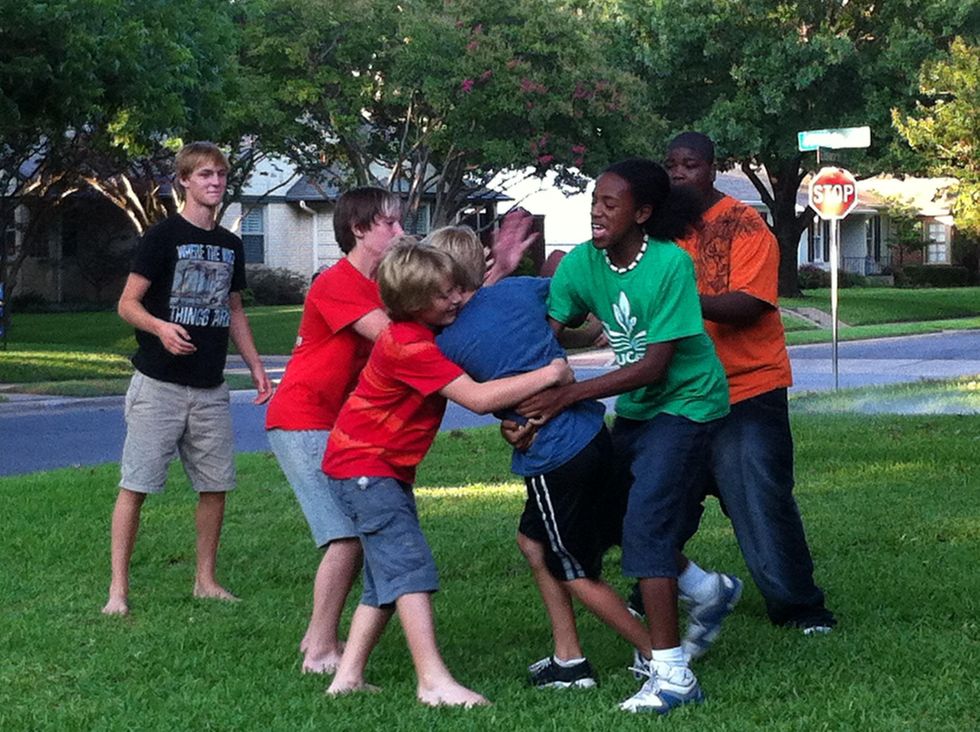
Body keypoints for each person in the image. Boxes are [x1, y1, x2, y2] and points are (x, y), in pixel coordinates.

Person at [264, 190, 538, 674]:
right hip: (307, 416)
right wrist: (490, 282)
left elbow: (436, 317)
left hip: (349, 423)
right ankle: (321, 645)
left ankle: (337, 657)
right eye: (389, 224)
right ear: (358, 230)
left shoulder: (385, 285)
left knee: (359, 535)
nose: (401, 231)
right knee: (346, 536)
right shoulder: (337, 283)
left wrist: (495, 273)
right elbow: (414, 338)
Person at [517, 158, 734, 714]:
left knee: (645, 532)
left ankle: (673, 677)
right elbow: (544, 340)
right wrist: (521, 406)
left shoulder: (669, 264)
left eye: (610, 203)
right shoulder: (582, 264)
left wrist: (565, 396)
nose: (597, 211)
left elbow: (654, 366)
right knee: (609, 518)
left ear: (642, 213)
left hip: (688, 402)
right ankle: (706, 590)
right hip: (639, 409)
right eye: (594, 200)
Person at [323, 241, 572, 707]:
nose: (456, 298)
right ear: (415, 303)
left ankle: (348, 676)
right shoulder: (409, 346)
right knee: (410, 570)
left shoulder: (419, 333)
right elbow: (477, 398)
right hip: (366, 469)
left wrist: (501, 267)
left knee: (385, 577)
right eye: (444, 295)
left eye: (456, 288)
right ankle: (432, 681)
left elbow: (476, 311)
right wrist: (551, 374)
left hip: (369, 468)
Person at [429, 226, 652, 689]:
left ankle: (660, 656)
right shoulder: (516, 292)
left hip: (554, 456)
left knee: (570, 567)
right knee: (532, 543)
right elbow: (567, 281)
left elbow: (481, 392)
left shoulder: (443, 345)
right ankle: (568, 660)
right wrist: (601, 326)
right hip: (593, 434)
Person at [665, 131, 836, 633]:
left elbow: (750, 304)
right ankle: (650, 591)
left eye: (689, 164)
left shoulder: (744, 224)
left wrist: (674, 298)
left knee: (761, 501)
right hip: (681, 393)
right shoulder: (662, 229)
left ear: (712, 168)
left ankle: (801, 609)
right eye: (671, 165)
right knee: (660, 498)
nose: (678, 173)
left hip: (747, 388)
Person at [102, 141, 272, 616]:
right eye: (204, 174)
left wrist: (256, 366)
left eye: (220, 174)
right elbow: (127, 304)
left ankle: (206, 581)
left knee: (215, 486)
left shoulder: (231, 245)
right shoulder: (162, 237)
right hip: (158, 384)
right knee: (136, 485)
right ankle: (118, 591)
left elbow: (233, 309)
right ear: (184, 181)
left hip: (210, 387)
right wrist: (160, 328)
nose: (214, 182)